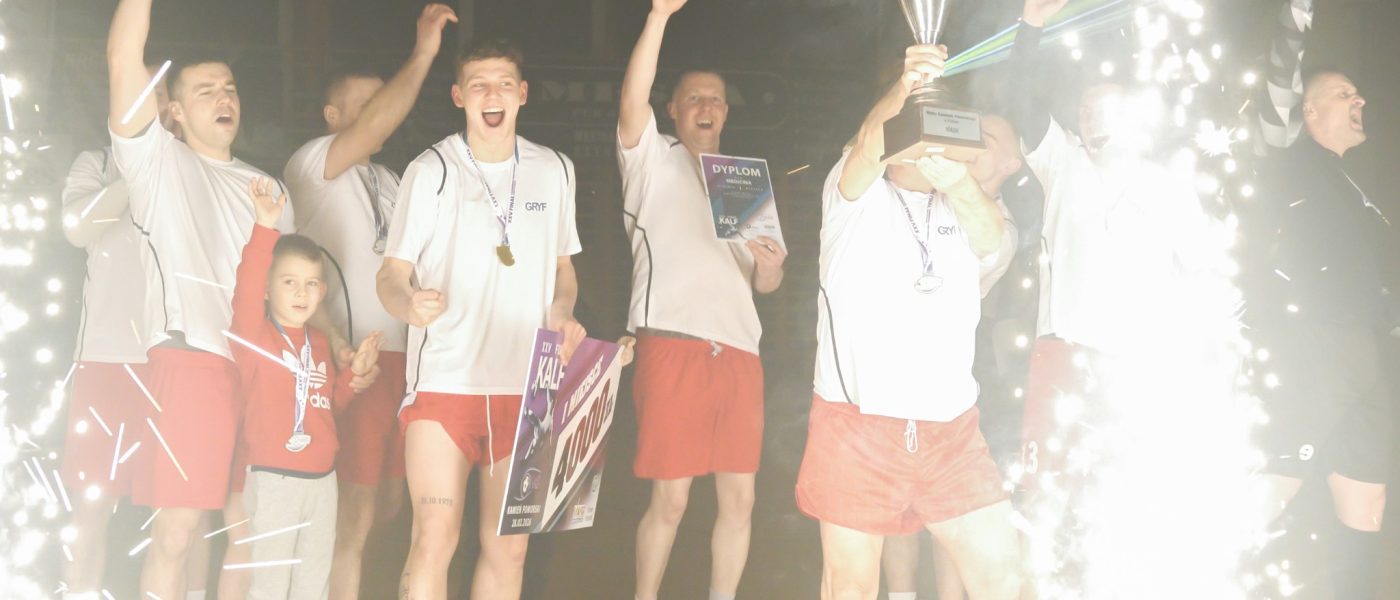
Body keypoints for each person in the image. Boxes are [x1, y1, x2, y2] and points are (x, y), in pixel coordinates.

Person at [796, 39, 1022, 599]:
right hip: (857, 424)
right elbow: (867, 148)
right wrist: (906, 84)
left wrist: (958, 181)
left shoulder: (969, 204)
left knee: (1004, 576)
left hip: (951, 429)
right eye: (917, 122)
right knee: (849, 584)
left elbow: (991, 240)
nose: (930, 139)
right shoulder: (851, 196)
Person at [377, 40, 584, 600]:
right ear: (458, 96)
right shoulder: (432, 170)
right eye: (478, 84)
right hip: (445, 383)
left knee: (509, 549)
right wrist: (409, 304)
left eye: (503, 83)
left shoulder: (555, 170)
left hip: (527, 389)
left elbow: (563, 269)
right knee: (434, 537)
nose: (492, 94)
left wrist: (563, 312)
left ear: (522, 94)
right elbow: (391, 274)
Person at [106, 0, 295, 596]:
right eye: (206, 90)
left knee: (250, 531)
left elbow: (291, 293)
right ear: (175, 110)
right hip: (191, 360)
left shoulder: (270, 189)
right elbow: (122, 58)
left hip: (259, 372)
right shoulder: (156, 161)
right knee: (177, 533)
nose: (224, 98)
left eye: (230, 88)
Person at [284, 5, 457, 598]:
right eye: (364, 105)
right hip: (353, 360)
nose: (379, 113)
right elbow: (377, 126)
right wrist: (425, 52)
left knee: (389, 504)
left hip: (407, 364)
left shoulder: (392, 180)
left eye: (382, 102)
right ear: (332, 116)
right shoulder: (314, 163)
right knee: (353, 514)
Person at [618, 2, 787, 598]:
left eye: (715, 99)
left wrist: (772, 267)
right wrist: (659, 17)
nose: (706, 106)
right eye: (693, 98)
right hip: (673, 343)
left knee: (740, 500)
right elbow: (631, 100)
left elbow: (765, 284)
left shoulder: (742, 181)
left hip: (739, 349)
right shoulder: (651, 160)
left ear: (726, 112)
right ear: (673, 110)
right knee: (671, 499)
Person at [1009, 0, 1208, 495]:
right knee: (1048, 498)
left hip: (1137, 366)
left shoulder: (1170, 185)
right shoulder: (1063, 162)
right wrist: (1030, 26)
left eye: (1106, 109)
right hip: (1062, 356)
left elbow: (1203, 273)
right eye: (1085, 110)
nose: (1092, 118)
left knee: (1124, 498)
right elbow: (1020, 100)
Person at [1246, 1, 1393, 597]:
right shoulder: (1290, 160)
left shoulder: (1353, 191)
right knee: (1272, 486)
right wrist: (1297, 15)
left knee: (1367, 504)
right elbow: (1279, 85)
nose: (1360, 100)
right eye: (1344, 94)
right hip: (1311, 349)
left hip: (1364, 359)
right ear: (1308, 112)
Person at [58, 66, 191, 600]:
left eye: (160, 91)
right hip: (108, 360)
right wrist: (139, 167)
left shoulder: (195, 166)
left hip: (180, 362)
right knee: (92, 503)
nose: (149, 100)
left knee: (183, 508)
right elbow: (78, 229)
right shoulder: (96, 162)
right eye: (140, 90)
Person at [227, 177, 380, 598]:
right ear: (267, 288)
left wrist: (352, 378)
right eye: (289, 282)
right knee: (271, 586)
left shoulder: (319, 343)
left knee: (314, 584)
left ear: (322, 292)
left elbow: (327, 407)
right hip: (274, 480)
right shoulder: (254, 337)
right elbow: (245, 291)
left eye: (311, 283)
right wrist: (264, 227)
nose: (301, 292)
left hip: (322, 481)